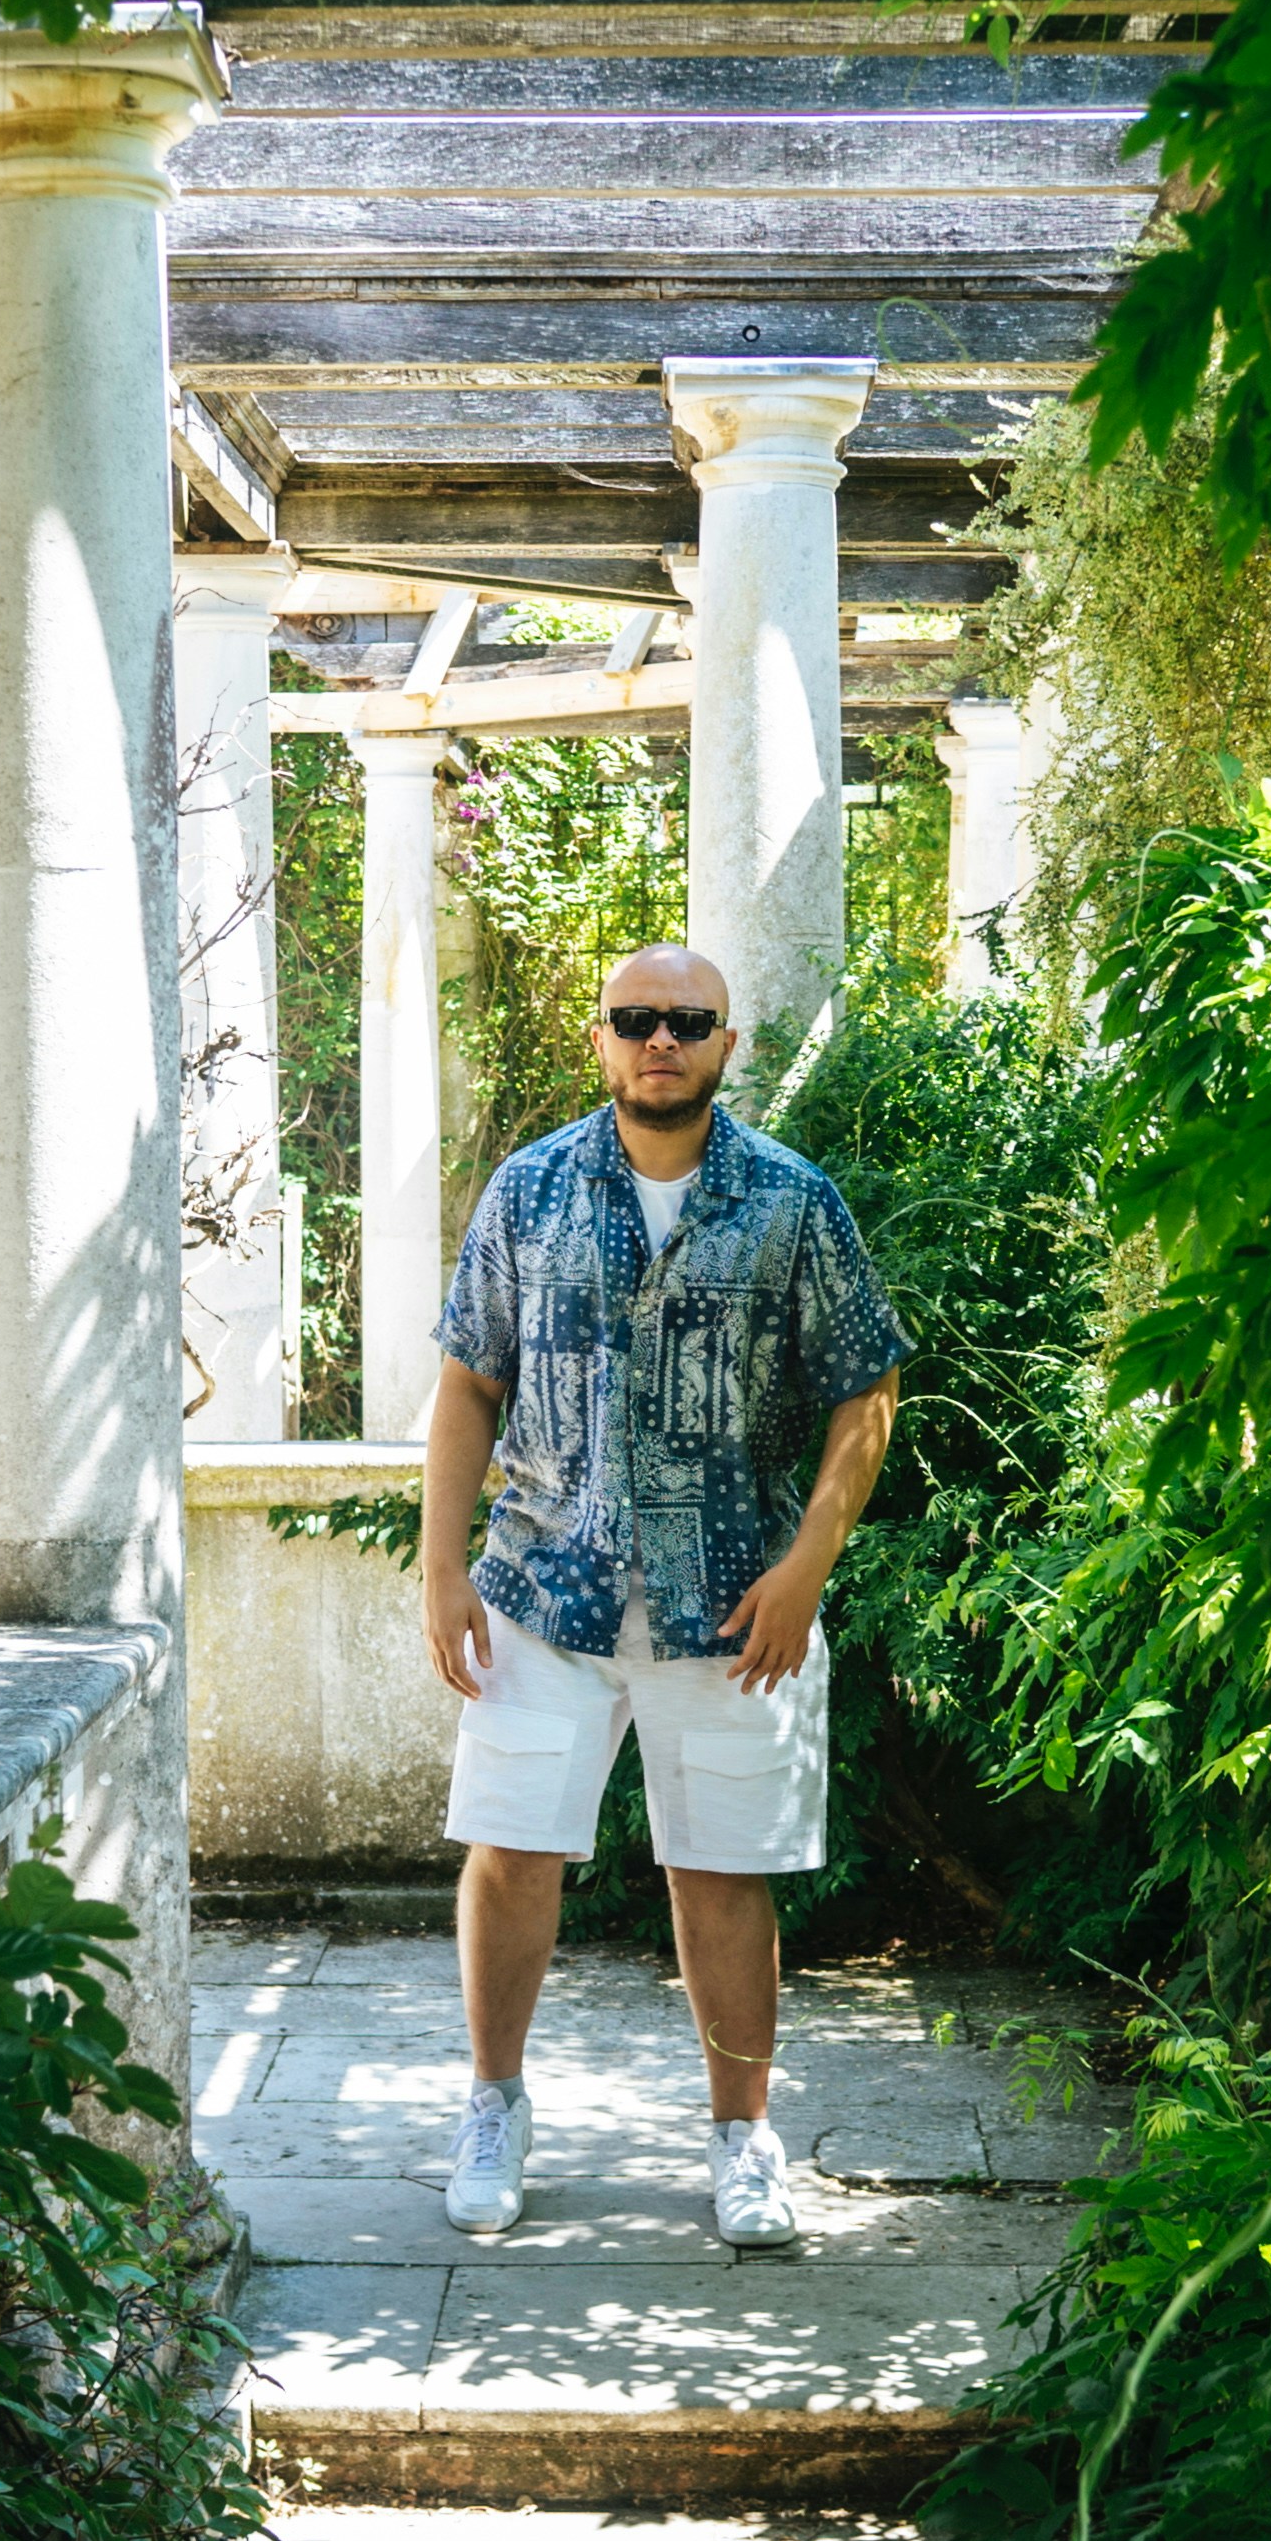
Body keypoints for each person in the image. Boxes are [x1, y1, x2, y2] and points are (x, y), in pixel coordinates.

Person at [418, 943, 907, 2247]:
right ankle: (494, 2104)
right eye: (636, 1018)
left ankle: (745, 2137)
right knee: (513, 1848)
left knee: (725, 1871)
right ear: (602, 1038)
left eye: (687, 1021)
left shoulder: (794, 1202)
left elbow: (867, 1389)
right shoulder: (529, 1193)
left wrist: (809, 1565)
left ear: (725, 1045)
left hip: (734, 1599)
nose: (660, 1039)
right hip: (544, 1582)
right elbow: (468, 1381)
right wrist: (440, 1564)